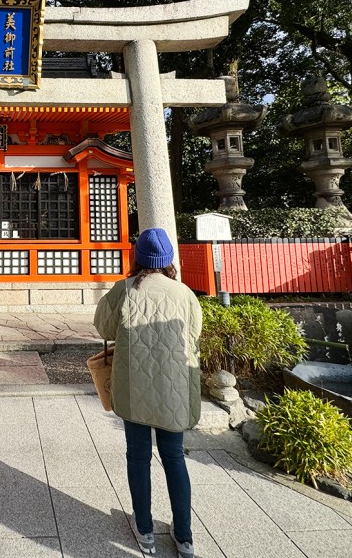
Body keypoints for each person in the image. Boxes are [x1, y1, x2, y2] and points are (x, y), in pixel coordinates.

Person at [94, 227, 202, 557]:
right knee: (174, 458)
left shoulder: (123, 290)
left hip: (133, 387)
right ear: (168, 259)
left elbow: (103, 327)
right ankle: (184, 537)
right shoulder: (184, 293)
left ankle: (144, 531)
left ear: (137, 257)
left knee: (138, 456)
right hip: (173, 389)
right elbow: (194, 333)